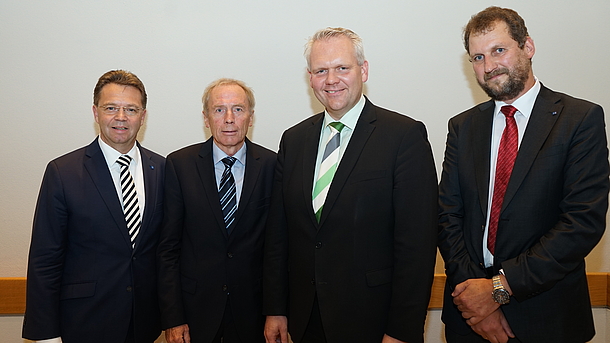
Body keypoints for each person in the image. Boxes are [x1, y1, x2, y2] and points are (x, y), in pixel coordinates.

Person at [438, 6, 609, 343]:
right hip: (468, 318)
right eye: (477, 58)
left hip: (547, 317)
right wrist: (476, 299)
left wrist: (498, 290)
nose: (488, 66)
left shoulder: (579, 119)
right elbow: (447, 216)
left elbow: (581, 222)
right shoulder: (463, 127)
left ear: (527, 47)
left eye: (498, 50)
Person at [263, 27, 438, 343]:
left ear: (364, 70)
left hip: (373, 322)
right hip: (305, 320)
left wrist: (402, 329)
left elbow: (417, 246)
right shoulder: (294, 140)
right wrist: (276, 308)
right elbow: (279, 234)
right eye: (321, 71)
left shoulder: (403, 136)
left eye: (342, 68)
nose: (331, 80)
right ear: (310, 77)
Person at [22, 70, 165, 343]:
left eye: (131, 109)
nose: (120, 117)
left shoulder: (162, 169)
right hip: (83, 323)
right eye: (110, 108)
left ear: (143, 116)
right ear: (95, 112)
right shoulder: (62, 172)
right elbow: (44, 260)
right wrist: (46, 335)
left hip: (145, 325)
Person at [157, 78, 276, 343]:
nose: (229, 119)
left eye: (238, 109)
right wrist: (173, 317)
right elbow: (168, 249)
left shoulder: (272, 164)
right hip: (195, 313)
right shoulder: (179, 165)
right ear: (206, 117)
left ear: (251, 117)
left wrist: (276, 311)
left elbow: (276, 248)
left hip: (253, 314)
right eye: (219, 109)